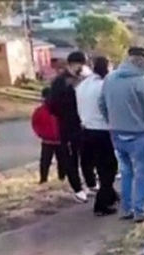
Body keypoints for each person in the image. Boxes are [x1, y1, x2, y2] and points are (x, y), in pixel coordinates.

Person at [100, 46, 144, 223]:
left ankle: (126, 209)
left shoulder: (110, 78)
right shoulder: (141, 81)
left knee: (126, 172)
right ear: (141, 62)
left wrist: (111, 122)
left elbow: (101, 103)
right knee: (142, 173)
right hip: (137, 134)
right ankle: (139, 211)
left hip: (117, 133)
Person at [49, 51, 98, 202]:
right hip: (68, 126)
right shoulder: (60, 82)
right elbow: (52, 105)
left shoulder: (83, 79)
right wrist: (67, 112)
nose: (81, 68)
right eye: (79, 65)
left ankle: (91, 183)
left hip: (83, 124)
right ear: (71, 64)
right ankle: (77, 189)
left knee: (87, 156)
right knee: (71, 158)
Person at [76, 56, 119, 216]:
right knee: (109, 168)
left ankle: (110, 195)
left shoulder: (83, 85)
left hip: (85, 129)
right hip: (101, 130)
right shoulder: (104, 86)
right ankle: (101, 204)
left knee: (101, 167)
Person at [32, 87, 66, 183]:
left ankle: (62, 177)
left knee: (62, 161)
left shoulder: (60, 109)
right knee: (45, 162)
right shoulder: (40, 111)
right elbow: (35, 124)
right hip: (47, 140)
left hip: (59, 140)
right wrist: (41, 134)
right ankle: (43, 179)